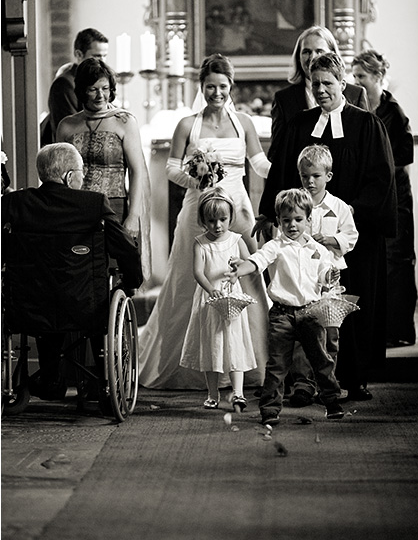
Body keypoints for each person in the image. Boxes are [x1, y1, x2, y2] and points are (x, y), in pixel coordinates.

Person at [257, 52, 396, 401]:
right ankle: (305, 381)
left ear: (342, 84)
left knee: (349, 306)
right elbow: (281, 173)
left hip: (352, 235)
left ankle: (353, 377)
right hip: (304, 235)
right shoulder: (300, 125)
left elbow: (381, 179)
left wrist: (345, 217)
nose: (320, 89)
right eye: (315, 83)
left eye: (327, 83)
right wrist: (270, 214)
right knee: (305, 307)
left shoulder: (367, 125)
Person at [138, 53, 271, 390]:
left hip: (237, 210)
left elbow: (258, 163)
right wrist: (196, 179)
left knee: (248, 277)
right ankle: (190, 365)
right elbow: (172, 168)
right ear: (202, 87)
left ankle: (251, 364)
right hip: (198, 209)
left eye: (222, 86)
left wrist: (285, 170)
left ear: (231, 86)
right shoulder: (188, 124)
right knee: (189, 280)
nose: (217, 93)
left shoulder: (244, 122)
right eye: (210, 86)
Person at [1, 143, 143, 400]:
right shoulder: (93, 204)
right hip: (84, 305)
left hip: (28, 306)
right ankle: (102, 384)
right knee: (95, 300)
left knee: (45, 300)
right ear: (69, 176)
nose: (83, 176)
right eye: (81, 171)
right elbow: (126, 248)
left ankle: (50, 379)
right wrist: (131, 282)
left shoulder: (14, 203)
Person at [230, 188, 345, 425]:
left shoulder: (318, 250)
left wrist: (330, 276)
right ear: (279, 221)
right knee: (277, 365)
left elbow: (324, 275)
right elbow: (257, 261)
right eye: (286, 220)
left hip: (311, 312)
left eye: (298, 219)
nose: (292, 225)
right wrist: (239, 270)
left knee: (321, 361)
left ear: (309, 220)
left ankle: (332, 402)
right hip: (282, 314)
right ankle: (270, 409)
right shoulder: (275, 246)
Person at [56, 57, 152, 284]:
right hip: (76, 210)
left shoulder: (124, 121)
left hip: (113, 207)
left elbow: (137, 171)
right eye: (93, 89)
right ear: (82, 91)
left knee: (112, 272)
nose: (101, 95)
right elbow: (58, 173)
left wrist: (133, 216)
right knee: (77, 271)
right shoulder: (66, 126)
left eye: (105, 89)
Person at [351, 49, 418, 346]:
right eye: (354, 76)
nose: (356, 82)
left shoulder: (394, 112)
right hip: (369, 193)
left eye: (361, 76)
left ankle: (398, 330)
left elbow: (405, 155)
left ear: (378, 77)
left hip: (394, 192)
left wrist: (378, 165)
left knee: (396, 257)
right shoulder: (356, 108)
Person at [286, 144, 358, 407]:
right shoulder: (295, 205)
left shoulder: (338, 207)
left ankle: (327, 384)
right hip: (303, 279)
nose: (310, 182)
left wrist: (331, 240)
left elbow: (351, 235)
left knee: (329, 334)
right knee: (304, 332)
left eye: (316, 176)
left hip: (331, 280)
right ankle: (303, 385)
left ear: (328, 175)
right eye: (305, 176)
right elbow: (284, 236)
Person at [178, 188, 258, 412]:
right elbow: (198, 272)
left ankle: (238, 392)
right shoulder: (200, 243)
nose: (218, 225)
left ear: (230, 216)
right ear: (203, 220)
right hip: (210, 300)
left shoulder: (236, 240)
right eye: (211, 221)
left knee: (235, 344)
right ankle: (212, 393)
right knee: (212, 345)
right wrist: (210, 289)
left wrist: (238, 266)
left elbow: (249, 264)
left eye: (223, 219)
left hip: (233, 299)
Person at [269, 25, 368, 143]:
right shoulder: (284, 99)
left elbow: (367, 143)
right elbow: (277, 149)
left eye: (319, 51)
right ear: (298, 57)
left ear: (333, 54)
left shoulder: (356, 94)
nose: (312, 57)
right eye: (306, 52)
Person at [42, 28, 109, 146]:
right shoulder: (64, 84)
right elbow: (69, 131)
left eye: (105, 56)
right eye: (97, 56)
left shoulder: (102, 82)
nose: (102, 62)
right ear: (78, 54)